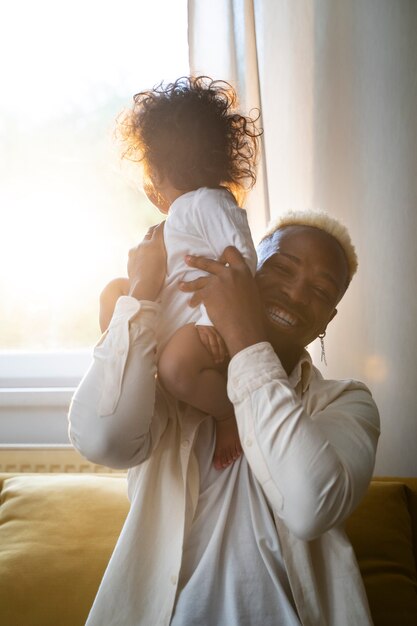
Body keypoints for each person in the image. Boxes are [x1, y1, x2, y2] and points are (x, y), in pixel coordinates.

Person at [68, 209, 380, 626]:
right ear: (248, 269)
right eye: (281, 268)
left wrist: (245, 338)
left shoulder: (346, 403)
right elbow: (101, 439)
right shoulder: (171, 378)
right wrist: (140, 291)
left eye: (322, 292)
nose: (295, 294)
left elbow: (310, 508)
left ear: (328, 319)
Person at [102, 76, 260, 469]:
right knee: (113, 293)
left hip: (202, 322)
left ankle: (228, 414)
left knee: (175, 369)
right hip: (170, 316)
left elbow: (241, 262)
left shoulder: (212, 203)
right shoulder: (180, 214)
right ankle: (122, 368)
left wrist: (213, 320)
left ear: (157, 168)